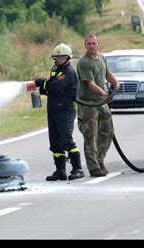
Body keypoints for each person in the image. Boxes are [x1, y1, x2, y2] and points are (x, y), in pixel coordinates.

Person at [34, 43, 84, 181]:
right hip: (54, 110)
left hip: (64, 111)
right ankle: (60, 170)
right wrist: (43, 87)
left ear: (67, 58)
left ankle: (77, 169)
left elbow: (55, 86)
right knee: (55, 143)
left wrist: (42, 83)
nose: (57, 60)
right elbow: (50, 87)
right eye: (56, 58)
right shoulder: (56, 69)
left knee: (66, 141)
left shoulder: (68, 72)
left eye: (60, 58)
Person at [76, 33, 119, 177]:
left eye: (94, 43)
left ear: (98, 43)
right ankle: (93, 167)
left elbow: (107, 74)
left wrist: (115, 82)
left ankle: (100, 160)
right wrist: (104, 94)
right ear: (85, 45)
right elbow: (90, 84)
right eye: (89, 44)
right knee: (90, 134)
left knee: (107, 131)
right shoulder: (84, 63)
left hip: (101, 102)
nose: (91, 46)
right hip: (88, 102)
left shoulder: (101, 58)